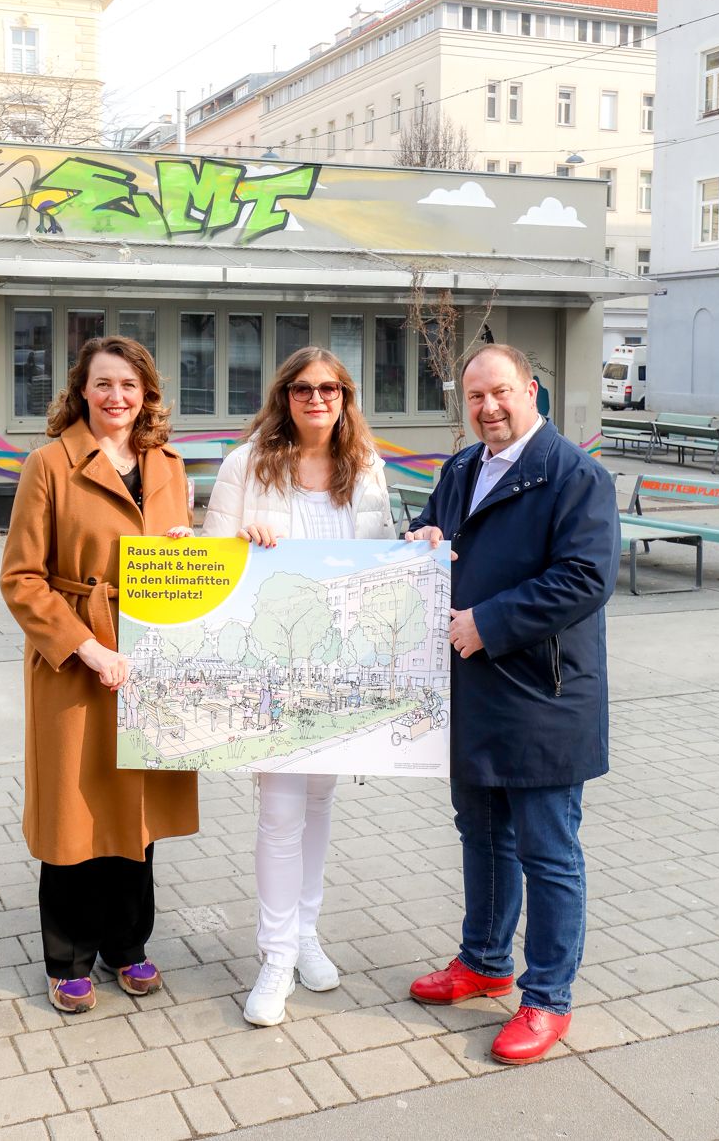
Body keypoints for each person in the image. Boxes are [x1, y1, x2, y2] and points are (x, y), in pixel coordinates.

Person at [406, 344, 620, 1065]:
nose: (487, 408)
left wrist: (487, 623)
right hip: (473, 691)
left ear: (530, 389)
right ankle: (485, 961)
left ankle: (547, 998)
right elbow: (437, 535)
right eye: (474, 398)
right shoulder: (461, 469)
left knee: (547, 850)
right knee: (480, 834)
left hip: (543, 698)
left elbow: (585, 578)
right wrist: (425, 539)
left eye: (500, 392)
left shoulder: (574, 475)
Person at [0, 335, 199, 1015]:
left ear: (147, 394)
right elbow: (22, 580)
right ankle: (68, 957)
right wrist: (86, 648)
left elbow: (179, 559)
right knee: (73, 811)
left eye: (129, 385)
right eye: (104, 383)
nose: (117, 396)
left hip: (147, 659)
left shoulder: (169, 465)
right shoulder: (48, 464)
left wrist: (187, 553)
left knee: (131, 813)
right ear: (81, 390)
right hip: (76, 664)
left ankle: (128, 945)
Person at [203, 346, 395, 1026]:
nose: (317, 400)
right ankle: (275, 955)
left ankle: (306, 933)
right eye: (303, 389)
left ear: (345, 397)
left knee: (319, 802)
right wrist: (241, 546)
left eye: (331, 389)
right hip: (272, 669)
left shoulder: (366, 468)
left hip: (340, 670)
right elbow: (210, 568)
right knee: (280, 812)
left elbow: (385, 559)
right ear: (283, 396)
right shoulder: (246, 465)